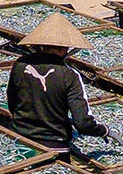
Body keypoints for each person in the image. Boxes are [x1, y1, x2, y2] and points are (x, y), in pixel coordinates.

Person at [8, 13, 109, 155]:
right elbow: (82, 123)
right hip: (54, 145)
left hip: (19, 140)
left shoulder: (20, 65)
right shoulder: (69, 75)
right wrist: (104, 131)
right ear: (64, 48)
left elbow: (12, 103)